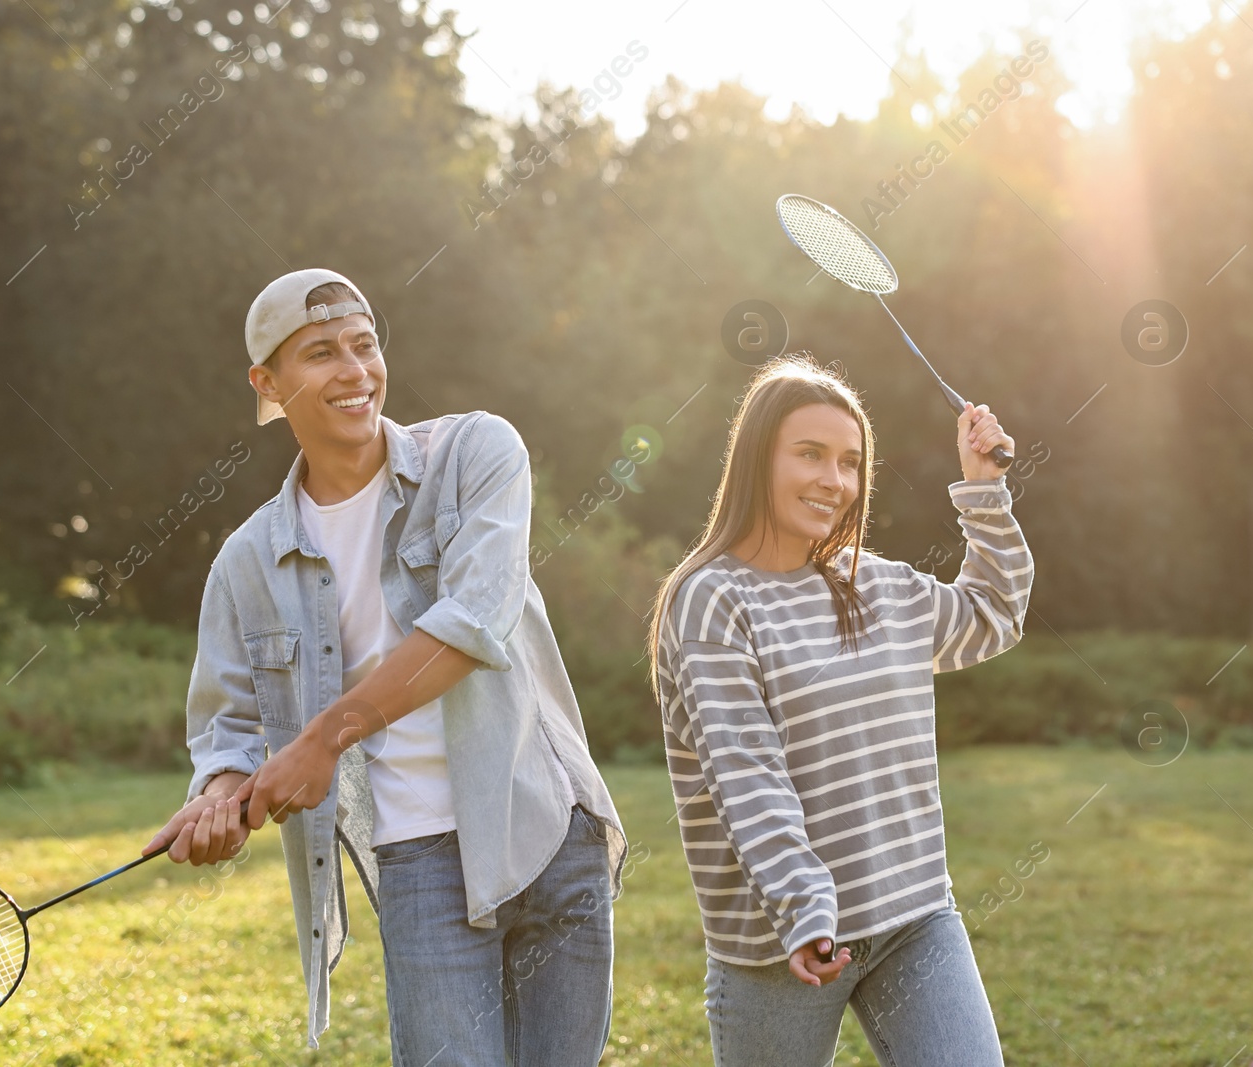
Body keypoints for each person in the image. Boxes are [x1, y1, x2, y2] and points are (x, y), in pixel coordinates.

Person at [143, 268, 627, 1063]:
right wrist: (219, 795)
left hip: (545, 826)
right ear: (267, 382)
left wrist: (324, 737)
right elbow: (226, 727)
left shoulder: (475, 451)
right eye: (321, 352)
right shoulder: (245, 562)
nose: (355, 370)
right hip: (419, 858)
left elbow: (474, 619)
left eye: (365, 345)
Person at [649, 356, 1033, 1066]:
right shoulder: (711, 598)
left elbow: (994, 613)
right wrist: (804, 908)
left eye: (851, 462)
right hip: (781, 943)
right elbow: (745, 770)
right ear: (758, 458)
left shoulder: (873, 583)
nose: (835, 479)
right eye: (811, 454)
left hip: (914, 914)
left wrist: (985, 489)